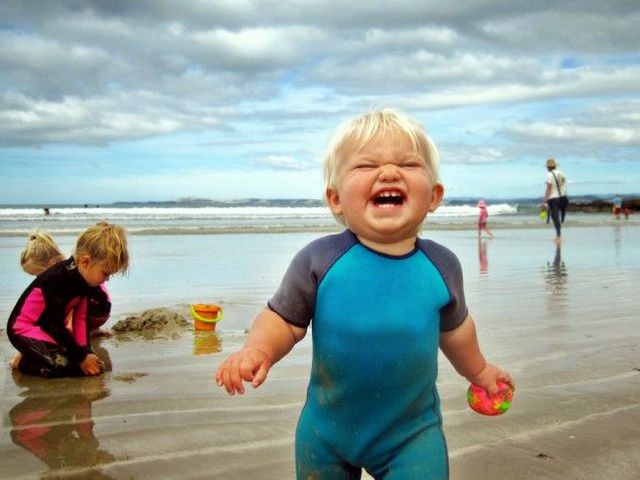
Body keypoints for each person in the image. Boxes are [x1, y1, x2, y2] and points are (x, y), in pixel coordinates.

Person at [215, 109, 513, 479]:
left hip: (412, 435)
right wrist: (258, 350)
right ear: (335, 198)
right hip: (325, 434)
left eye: (407, 163)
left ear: (434, 195)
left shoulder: (442, 266)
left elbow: (455, 331)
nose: (388, 172)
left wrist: (479, 370)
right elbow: (283, 320)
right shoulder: (319, 260)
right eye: (366, 165)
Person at [7, 222, 129, 378]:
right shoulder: (58, 279)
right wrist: (81, 358)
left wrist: (87, 352)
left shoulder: (84, 282)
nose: (107, 280)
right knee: (62, 366)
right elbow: (55, 326)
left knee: (80, 364)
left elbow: (80, 320)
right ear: (85, 261)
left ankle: (38, 356)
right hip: (24, 330)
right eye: (105, 273)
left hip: (47, 329)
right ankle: (24, 362)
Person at [19, 230, 113, 337]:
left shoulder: (65, 278)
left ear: (52, 263)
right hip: (100, 312)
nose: (38, 280)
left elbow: (71, 308)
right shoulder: (71, 268)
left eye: (39, 275)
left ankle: (87, 332)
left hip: (97, 310)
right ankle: (91, 330)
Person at [542, 158, 568, 244]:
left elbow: (549, 188)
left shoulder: (549, 174)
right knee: (559, 216)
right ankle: (559, 232)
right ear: (555, 166)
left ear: (548, 167)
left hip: (554, 198)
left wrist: (545, 201)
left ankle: (558, 236)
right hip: (563, 197)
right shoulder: (561, 173)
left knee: (555, 217)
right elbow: (564, 185)